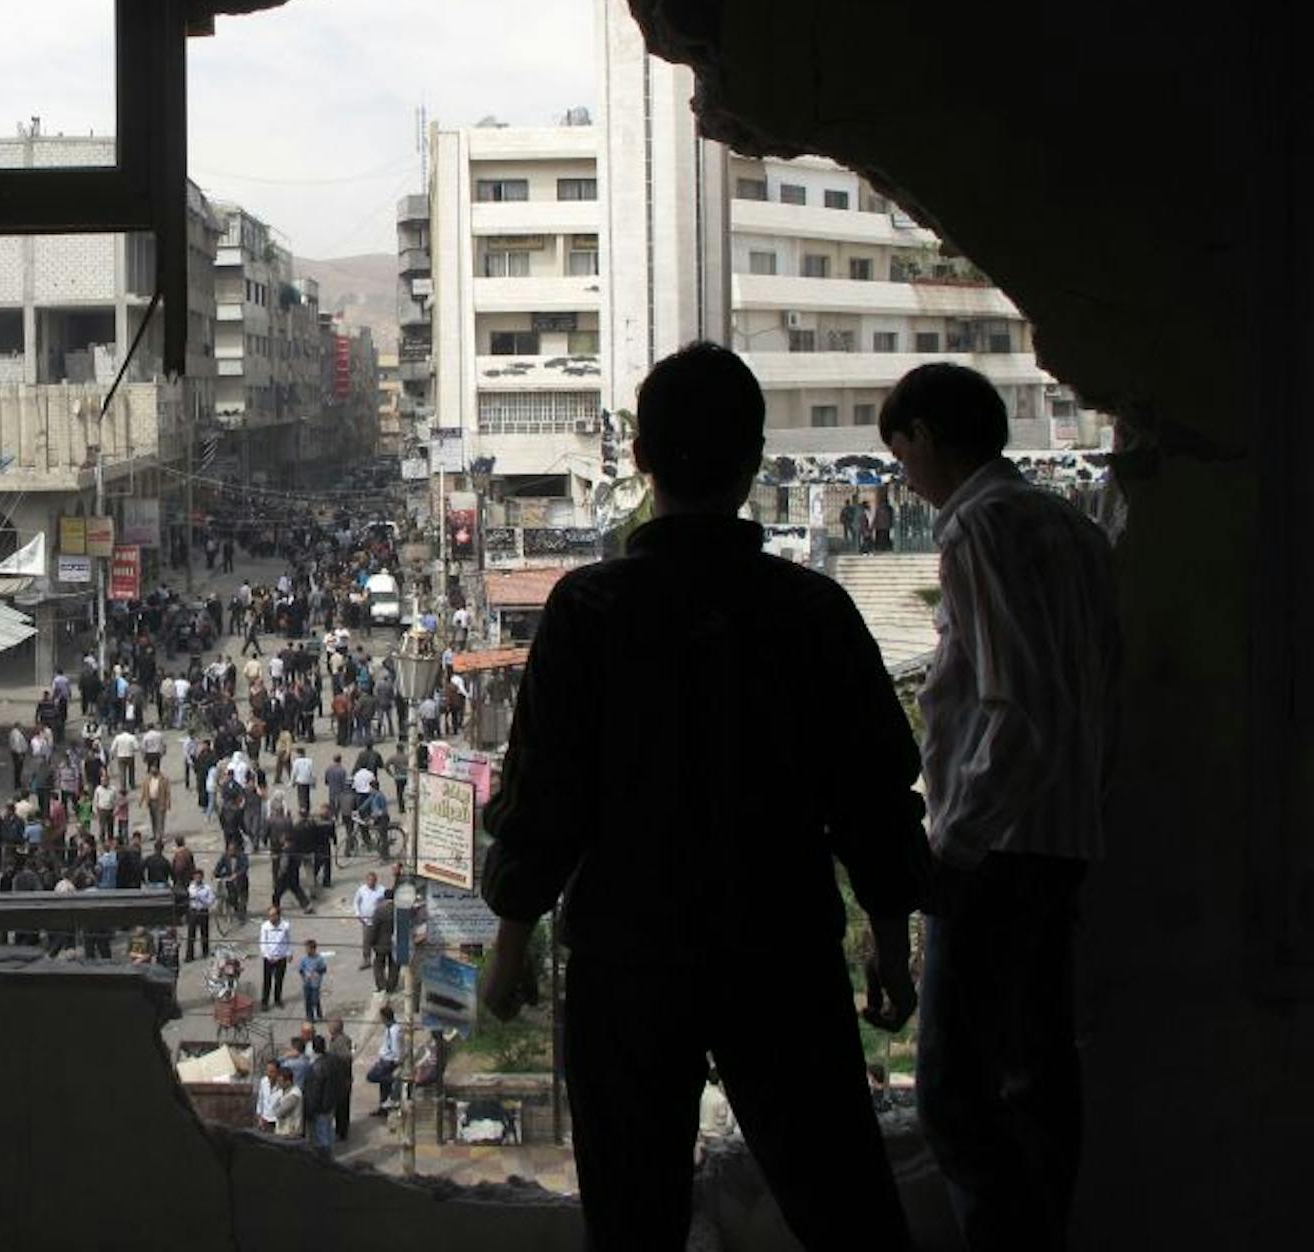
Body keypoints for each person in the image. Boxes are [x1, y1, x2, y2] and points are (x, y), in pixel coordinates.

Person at [479, 342, 928, 1251]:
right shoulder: (811, 611)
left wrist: (512, 940)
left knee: (633, 1215)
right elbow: (875, 792)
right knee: (844, 1205)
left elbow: (546, 795)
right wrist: (887, 938)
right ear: (755, 462)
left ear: (639, 458)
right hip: (782, 953)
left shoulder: (589, 610)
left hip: (628, 962)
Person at [880, 363, 1121, 1252]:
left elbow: (1016, 707)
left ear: (926, 439)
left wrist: (960, 846)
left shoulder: (978, 528)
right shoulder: (1073, 526)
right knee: (1037, 1075)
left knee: (955, 1089)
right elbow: (1096, 694)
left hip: (1001, 850)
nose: (902, 472)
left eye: (900, 451)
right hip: (1062, 841)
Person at [258, 903, 294, 1009]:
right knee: (267, 981)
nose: (271, 918)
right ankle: (265, 1002)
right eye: (270, 915)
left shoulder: (286, 926)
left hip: (281, 957)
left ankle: (278, 1000)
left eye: (273, 915)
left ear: (278, 915)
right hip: (269, 958)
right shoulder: (265, 926)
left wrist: (289, 953)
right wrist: (268, 955)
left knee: (279, 980)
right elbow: (263, 942)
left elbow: (288, 940)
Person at [355, 870, 388, 970]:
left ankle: (381, 959)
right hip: (366, 921)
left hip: (379, 921)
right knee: (367, 941)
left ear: (376, 881)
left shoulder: (382, 890)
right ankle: (366, 960)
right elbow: (356, 902)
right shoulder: (361, 890)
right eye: (369, 880)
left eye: (373, 881)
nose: (371, 883)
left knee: (379, 940)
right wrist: (358, 914)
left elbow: (387, 902)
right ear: (366, 881)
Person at [185, 868, 216, 963]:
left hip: (203, 911)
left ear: (202, 877)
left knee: (204, 933)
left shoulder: (207, 888)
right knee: (191, 934)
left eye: (199, 876)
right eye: (196, 876)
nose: (197, 878)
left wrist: (201, 899)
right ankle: (189, 956)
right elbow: (186, 899)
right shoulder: (190, 887)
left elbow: (211, 900)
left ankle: (205, 952)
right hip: (193, 912)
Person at [298, 937, 328, 1024]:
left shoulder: (319, 959)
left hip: (315, 984)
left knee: (315, 1000)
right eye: (306, 949)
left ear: (313, 949)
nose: (306, 950)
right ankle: (309, 1017)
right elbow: (301, 970)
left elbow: (324, 968)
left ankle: (319, 1014)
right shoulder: (304, 959)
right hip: (307, 983)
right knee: (307, 1000)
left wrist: (317, 972)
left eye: (308, 949)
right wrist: (304, 976)